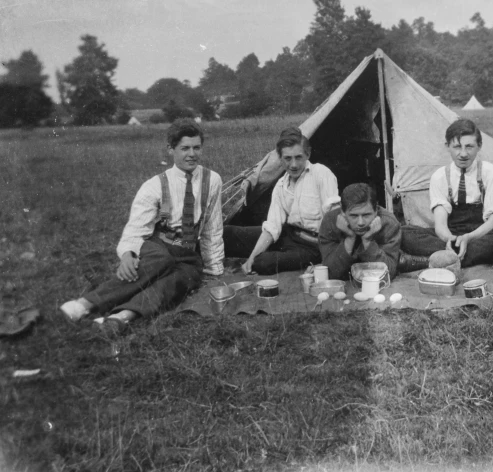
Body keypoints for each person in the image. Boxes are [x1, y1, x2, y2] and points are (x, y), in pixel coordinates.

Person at [59, 119, 224, 336]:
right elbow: (136, 228)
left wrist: (214, 268)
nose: (191, 154)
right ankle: (83, 305)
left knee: (179, 281)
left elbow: (213, 226)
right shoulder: (154, 185)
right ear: (171, 149)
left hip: (188, 254)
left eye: (196, 147)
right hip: (159, 246)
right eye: (184, 148)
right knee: (160, 262)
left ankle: (121, 317)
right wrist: (128, 254)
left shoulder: (212, 180)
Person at [400, 119, 493, 269]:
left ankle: (436, 260)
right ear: (447, 146)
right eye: (456, 147)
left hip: (482, 233)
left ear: (479, 146)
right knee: (404, 232)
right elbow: (440, 223)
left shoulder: (491, 172)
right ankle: (476, 256)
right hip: (452, 234)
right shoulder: (439, 176)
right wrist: (450, 239)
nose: (463, 154)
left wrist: (468, 238)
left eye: (469, 147)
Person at [223, 128, 339, 275]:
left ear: (308, 154)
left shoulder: (321, 174)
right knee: (227, 233)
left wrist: (328, 260)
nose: (294, 165)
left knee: (262, 263)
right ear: (280, 158)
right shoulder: (281, 185)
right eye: (288, 158)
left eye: (298, 157)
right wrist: (251, 257)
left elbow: (335, 217)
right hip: (287, 236)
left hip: (312, 247)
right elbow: (273, 227)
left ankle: (272, 257)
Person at [318, 183, 401, 280]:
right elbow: (331, 273)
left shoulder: (389, 223)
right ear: (342, 212)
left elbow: (388, 273)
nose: (360, 223)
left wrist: (368, 241)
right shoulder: (330, 221)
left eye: (366, 215)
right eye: (354, 216)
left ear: (376, 210)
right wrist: (349, 238)